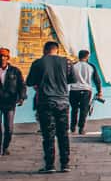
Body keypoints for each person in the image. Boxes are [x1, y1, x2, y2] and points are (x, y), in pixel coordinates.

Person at [25, 42, 72, 173]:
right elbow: (71, 79)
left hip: (46, 102)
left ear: (44, 50)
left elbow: (29, 82)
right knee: (63, 134)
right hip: (63, 102)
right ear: (57, 50)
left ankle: (50, 165)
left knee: (48, 135)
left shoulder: (38, 63)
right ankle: (65, 164)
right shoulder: (67, 62)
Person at [0, 47, 27, 156]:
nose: (2, 58)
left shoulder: (15, 71)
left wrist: (22, 97)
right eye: (0, 56)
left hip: (10, 102)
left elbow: (22, 85)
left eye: (4, 56)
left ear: (8, 58)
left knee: (9, 128)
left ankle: (5, 147)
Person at [69, 50, 102, 135]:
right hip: (86, 90)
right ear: (87, 56)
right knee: (84, 110)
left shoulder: (73, 65)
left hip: (73, 90)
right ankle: (81, 128)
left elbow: (68, 78)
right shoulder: (91, 66)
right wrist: (99, 91)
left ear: (79, 56)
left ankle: (73, 127)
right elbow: (97, 80)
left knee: (74, 109)